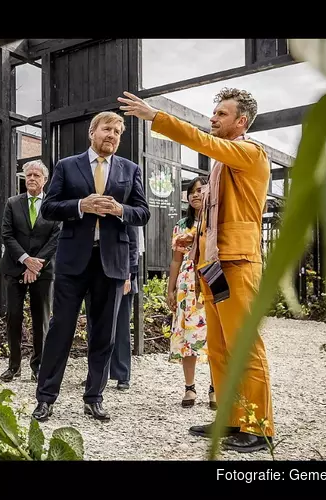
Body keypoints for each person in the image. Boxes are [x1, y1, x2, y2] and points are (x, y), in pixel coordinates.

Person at [119, 88, 273, 453]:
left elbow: (201, 140)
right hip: (214, 263)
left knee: (244, 347)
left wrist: (155, 117)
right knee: (219, 347)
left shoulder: (249, 153)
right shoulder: (222, 163)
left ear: (241, 121)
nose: (213, 119)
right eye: (213, 112)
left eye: (221, 113)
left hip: (238, 263)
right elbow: (218, 214)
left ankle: (259, 426)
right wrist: (197, 240)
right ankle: (232, 419)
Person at [32, 111, 150, 422]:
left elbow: (143, 212)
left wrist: (121, 209)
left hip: (112, 262)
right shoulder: (67, 166)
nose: (113, 136)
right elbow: (48, 208)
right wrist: (80, 206)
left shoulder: (130, 169)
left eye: (118, 132)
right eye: (107, 129)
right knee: (60, 330)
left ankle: (94, 397)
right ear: (92, 132)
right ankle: (45, 398)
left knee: (104, 334)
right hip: (73, 262)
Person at [0, 160, 61, 383]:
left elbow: (56, 237)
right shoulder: (12, 203)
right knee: (13, 317)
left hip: (43, 272)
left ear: (45, 180)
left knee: (40, 319)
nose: (32, 178)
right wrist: (26, 261)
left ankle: (39, 366)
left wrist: (37, 264)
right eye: (28, 175)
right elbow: (7, 234)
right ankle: (14, 366)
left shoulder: (53, 206)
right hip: (15, 268)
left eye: (36, 175)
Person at [168, 176, 216, 410]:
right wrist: (171, 287)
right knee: (188, 334)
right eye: (192, 191)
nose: (196, 195)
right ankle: (189, 387)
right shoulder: (181, 224)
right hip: (187, 283)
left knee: (215, 333)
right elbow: (176, 259)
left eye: (200, 190)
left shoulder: (216, 221)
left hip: (211, 277)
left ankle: (215, 388)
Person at [83, 223, 139, 390]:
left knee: (121, 327)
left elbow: (133, 243)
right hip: (94, 273)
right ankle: (97, 374)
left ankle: (122, 374)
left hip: (121, 274)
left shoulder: (124, 205)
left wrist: (129, 276)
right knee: (94, 327)